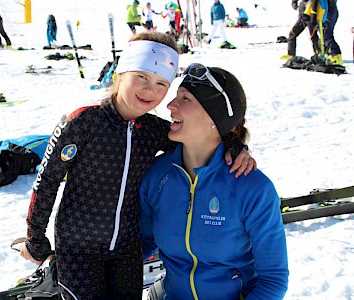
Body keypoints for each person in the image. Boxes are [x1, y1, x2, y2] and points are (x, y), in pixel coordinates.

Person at [19, 32, 256, 299]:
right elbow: (46, 182)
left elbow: (201, 139)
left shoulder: (154, 131)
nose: (149, 90)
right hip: (78, 247)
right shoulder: (83, 122)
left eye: (161, 83)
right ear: (122, 72)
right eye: (141, 77)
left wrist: (235, 146)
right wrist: (35, 237)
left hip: (127, 250)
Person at [139, 63, 289, 299]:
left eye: (185, 99)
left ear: (214, 117)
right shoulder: (158, 175)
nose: (170, 105)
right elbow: (144, 242)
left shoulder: (251, 188)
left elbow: (273, 280)